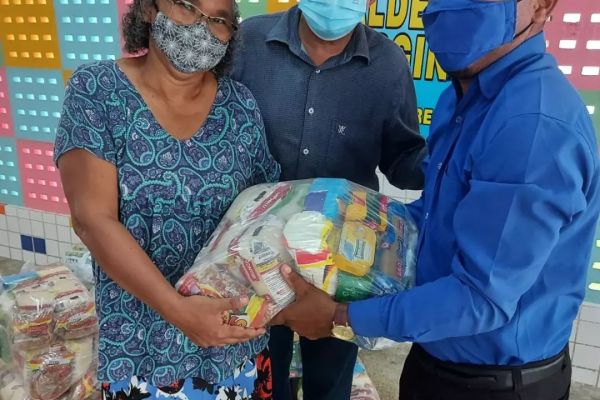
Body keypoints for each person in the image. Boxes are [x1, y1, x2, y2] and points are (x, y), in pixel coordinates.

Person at [272, 0, 600, 399]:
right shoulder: (462, 97)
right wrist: (344, 227)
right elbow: (436, 217)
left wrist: (339, 317)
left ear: (542, 6)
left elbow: (480, 298)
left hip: (495, 383)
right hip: (435, 357)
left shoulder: (532, 125)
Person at [54, 0, 279, 398]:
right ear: (148, 9)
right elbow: (92, 219)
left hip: (231, 344)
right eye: (188, 6)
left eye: (219, 20)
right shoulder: (98, 91)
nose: (202, 27)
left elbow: (264, 209)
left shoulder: (240, 105)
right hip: (141, 353)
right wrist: (180, 313)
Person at [231, 0, 426, 398]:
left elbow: (402, 157)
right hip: (256, 255)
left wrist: (454, 158)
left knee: (331, 379)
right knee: (262, 375)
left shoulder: (388, 63)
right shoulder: (249, 42)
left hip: (343, 260)